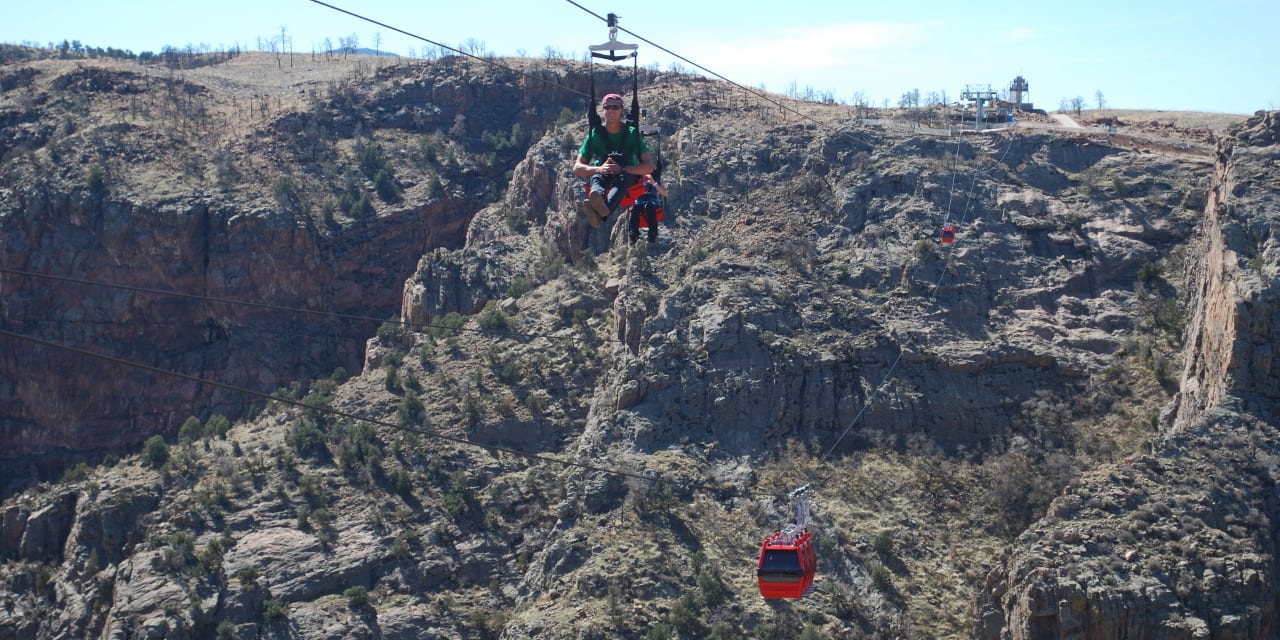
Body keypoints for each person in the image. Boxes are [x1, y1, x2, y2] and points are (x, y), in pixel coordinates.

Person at [573, 93, 655, 227]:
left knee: (624, 178)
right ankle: (598, 201)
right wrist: (599, 169)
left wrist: (622, 169)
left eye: (615, 107)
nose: (611, 110)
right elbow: (577, 167)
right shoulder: (596, 134)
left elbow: (649, 167)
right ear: (603, 109)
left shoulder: (631, 133)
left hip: (627, 174)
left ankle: (601, 210)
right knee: (597, 177)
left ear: (622, 109)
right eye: (608, 107)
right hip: (603, 171)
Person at [628, 173, 667, 245]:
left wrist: (653, 183)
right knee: (634, 209)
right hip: (639, 199)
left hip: (651, 199)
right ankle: (633, 235)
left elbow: (665, 193)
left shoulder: (656, 179)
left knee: (649, 206)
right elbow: (630, 192)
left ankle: (653, 234)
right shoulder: (637, 179)